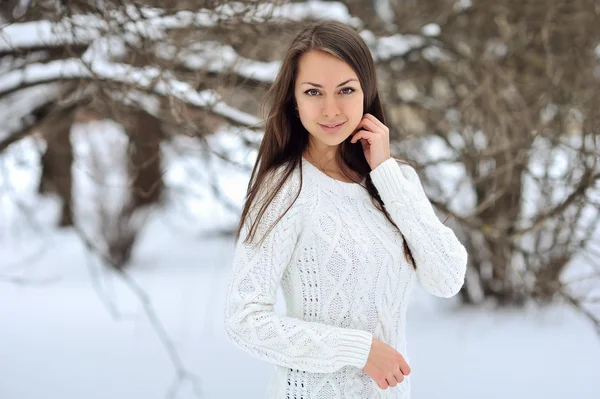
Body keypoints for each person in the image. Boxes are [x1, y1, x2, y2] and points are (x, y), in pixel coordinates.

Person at [223, 20, 468, 399]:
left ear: (366, 93)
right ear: (294, 100)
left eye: (346, 90)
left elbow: (447, 277)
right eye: (313, 92)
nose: (331, 109)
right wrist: (360, 350)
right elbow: (244, 321)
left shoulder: (393, 180)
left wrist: (386, 175)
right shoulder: (285, 190)